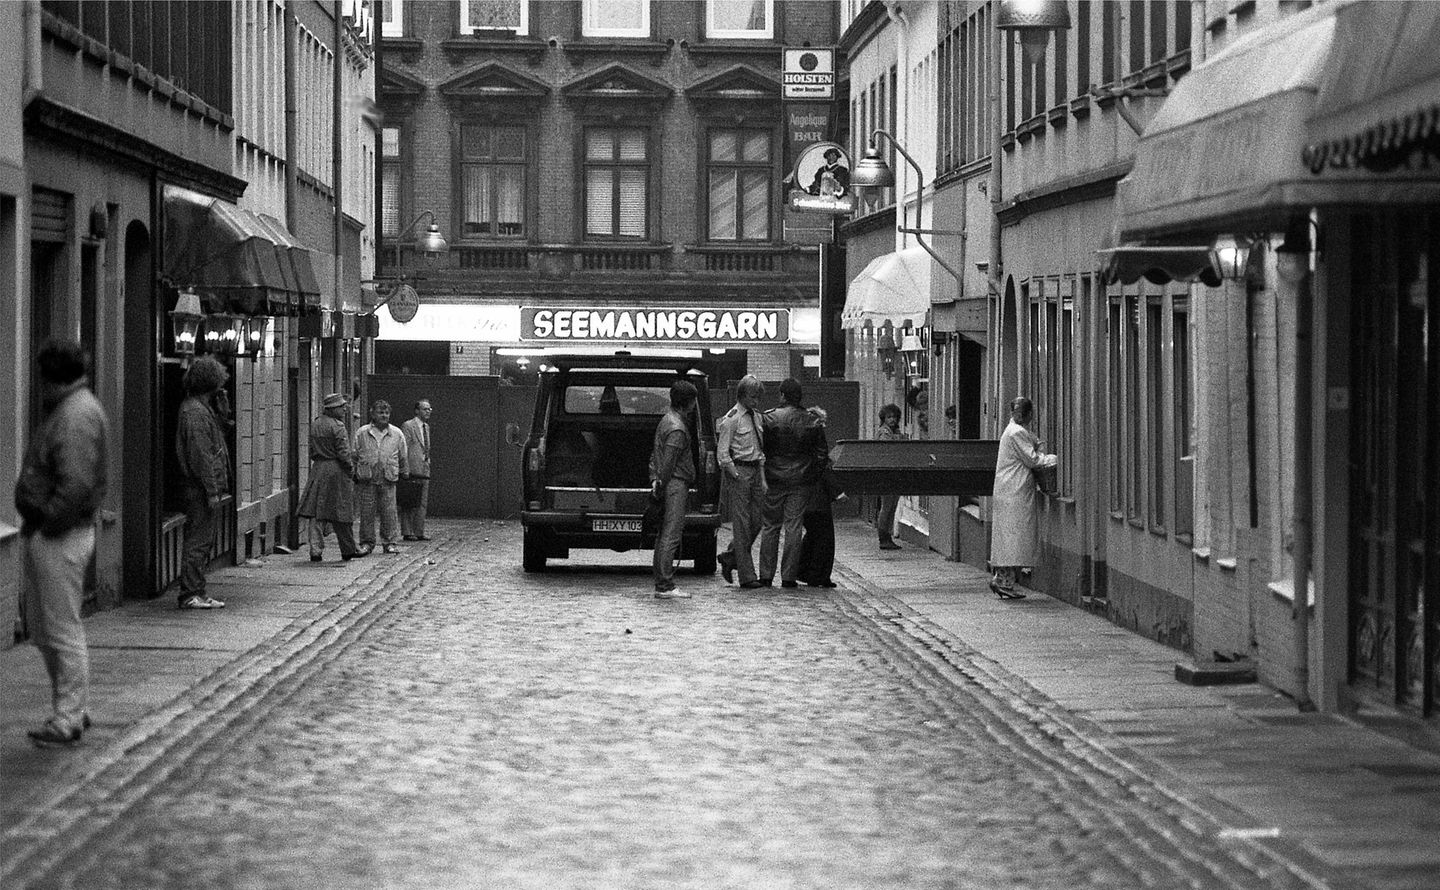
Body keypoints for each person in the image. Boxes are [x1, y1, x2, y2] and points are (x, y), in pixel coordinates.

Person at [14, 339, 108, 747]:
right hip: (53, 532)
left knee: (60, 627)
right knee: (44, 627)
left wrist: (49, 523)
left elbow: (76, 484)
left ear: (51, 378)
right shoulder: (72, 409)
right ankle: (71, 706)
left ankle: (68, 715)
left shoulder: (74, 416)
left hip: (61, 535)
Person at [758, 378, 827, 588]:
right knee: (794, 527)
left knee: (770, 526)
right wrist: (811, 476)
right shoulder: (812, 420)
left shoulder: (768, 418)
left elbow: (761, 448)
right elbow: (822, 454)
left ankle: (766, 575)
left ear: (782, 395)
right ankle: (788, 576)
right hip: (801, 480)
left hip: (773, 479)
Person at [174, 355, 231, 610]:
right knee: (198, 539)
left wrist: (223, 410)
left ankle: (197, 589)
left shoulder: (201, 409)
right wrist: (211, 489)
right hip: (199, 487)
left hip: (203, 486)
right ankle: (190, 592)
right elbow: (201, 455)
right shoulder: (195, 413)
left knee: (203, 539)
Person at [989, 396, 1058, 599]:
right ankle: (1003, 581)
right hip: (1014, 491)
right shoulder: (1017, 432)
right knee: (1013, 538)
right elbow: (1033, 459)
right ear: (1029, 414)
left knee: (1009, 537)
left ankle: (1003, 580)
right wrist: (1053, 458)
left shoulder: (1014, 431)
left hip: (1011, 490)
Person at [297, 393, 363, 562]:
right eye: (341, 406)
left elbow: (311, 450)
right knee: (341, 511)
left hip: (318, 468)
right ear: (333, 409)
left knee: (316, 512)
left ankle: (315, 550)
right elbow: (344, 454)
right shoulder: (338, 426)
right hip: (336, 470)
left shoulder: (316, 424)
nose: (344, 409)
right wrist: (351, 471)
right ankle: (348, 549)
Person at [716, 375, 766, 590]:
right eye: (753, 397)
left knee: (756, 521)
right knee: (742, 524)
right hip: (741, 471)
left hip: (755, 470)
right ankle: (747, 576)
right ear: (743, 395)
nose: (756, 401)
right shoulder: (732, 418)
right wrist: (734, 474)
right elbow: (722, 452)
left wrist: (761, 475)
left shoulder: (756, 417)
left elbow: (760, 448)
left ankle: (729, 556)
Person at [649, 379, 698, 599]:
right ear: (689, 402)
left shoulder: (665, 421)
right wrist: (661, 483)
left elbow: (656, 457)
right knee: (671, 533)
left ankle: (662, 581)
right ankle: (665, 585)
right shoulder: (678, 428)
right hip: (675, 484)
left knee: (663, 534)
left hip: (666, 483)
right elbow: (668, 464)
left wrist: (655, 481)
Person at [795, 406, 843, 588]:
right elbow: (824, 468)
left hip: (803, 496)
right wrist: (837, 492)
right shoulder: (817, 442)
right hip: (818, 499)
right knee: (825, 538)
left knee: (813, 535)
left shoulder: (800, 441)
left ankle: (804, 570)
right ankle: (817, 575)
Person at [353, 399, 408, 555]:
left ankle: (390, 542)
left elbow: (403, 455)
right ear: (373, 414)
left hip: (388, 477)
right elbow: (354, 454)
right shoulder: (362, 432)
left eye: (386, 413)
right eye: (380, 412)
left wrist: (404, 471)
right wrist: (354, 472)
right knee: (367, 512)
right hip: (367, 478)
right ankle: (367, 543)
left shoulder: (396, 433)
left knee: (389, 512)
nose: (384, 415)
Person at [400, 399, 433, 541]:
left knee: (422, 500)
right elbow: (404, 448)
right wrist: (404, 467)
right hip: (412, 467)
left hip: (424, 467)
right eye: (425, 409)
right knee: (410, 500)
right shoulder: (408, 426)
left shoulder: (426, 427)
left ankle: (419, 530)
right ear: (417, 410)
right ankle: (408, 531)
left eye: (429, 409)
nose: (428, 411)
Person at [875, 403, 905, 550]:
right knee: (887, 506)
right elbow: (887, 450)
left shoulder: (896, 431)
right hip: (886, 473)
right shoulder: (884, 432)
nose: (892, 420)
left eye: (894, 417)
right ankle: (883, 537)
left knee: (892, 505)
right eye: (889, 417)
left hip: (895, 472)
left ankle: (887, 535)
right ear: (884, 418)